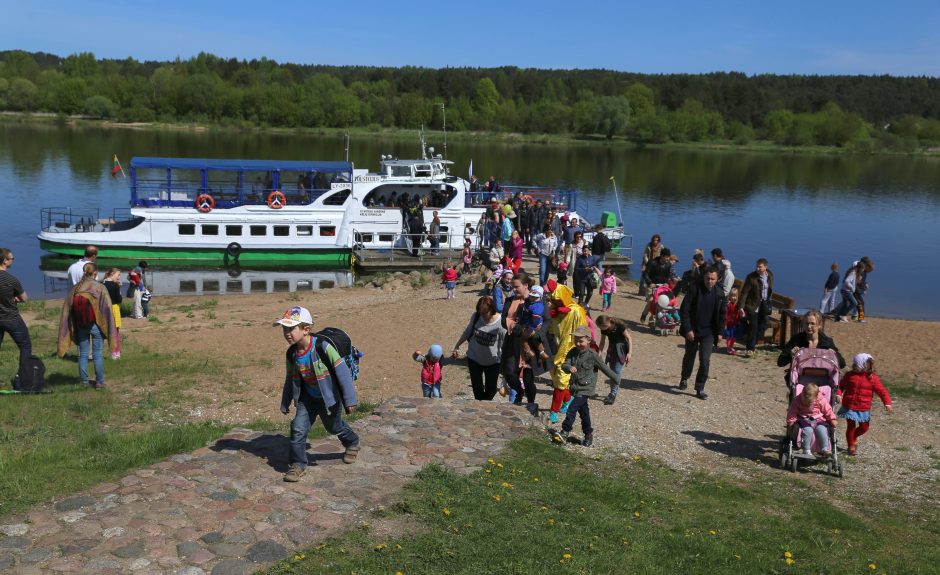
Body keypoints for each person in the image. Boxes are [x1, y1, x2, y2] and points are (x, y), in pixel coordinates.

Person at [276, 306, 360, 482]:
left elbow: (342, 373)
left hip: (329, 398)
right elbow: (290, 378)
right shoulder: (292, 353)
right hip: (307, 398)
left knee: (334, 427)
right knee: (298, 428)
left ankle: (352, 442)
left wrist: (350, 400)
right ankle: (298, 464)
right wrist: (285, 401)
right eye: (284, 328)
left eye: (291, 328)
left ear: (306, 329)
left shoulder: (323, 347)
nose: (286, 333)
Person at [554, 326, 620, 447]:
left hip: (586, 389)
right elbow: (564, 365)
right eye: (576, 340)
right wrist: (569, 367)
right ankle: (588, 434)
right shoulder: (572, 352)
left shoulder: (593, 355)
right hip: (574, 387)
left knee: (571, 409)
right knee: (584, 413)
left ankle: (565, 432)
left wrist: (616, 379)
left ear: (588, 340)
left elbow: (604, 368)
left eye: (581, 341)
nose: (578, 343)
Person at [57, 262, 117, 389]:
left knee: (83, 354)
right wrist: (107, 323)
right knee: (97, 354)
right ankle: (99, 382)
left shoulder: (76, 288)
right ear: (95, 273)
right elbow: (106, 307)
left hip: (80, 325)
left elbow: (67, 309)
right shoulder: (99, 287)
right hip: (95, 325)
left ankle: (84, 382)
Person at [546, 282, 589, 422]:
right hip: (556, 349)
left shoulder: (576, 311)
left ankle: (554, 411)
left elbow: (583, 331)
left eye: (558, 300)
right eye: (554, 300)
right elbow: (552, 331)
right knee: (557, 379)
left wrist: (579, 351)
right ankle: (568, 399)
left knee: (560, 382)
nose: (555, 302)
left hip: (570, 351)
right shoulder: (555, 309)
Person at [678, 266, 722, 400]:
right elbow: (684, 310)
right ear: (704, 277)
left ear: (717, 279)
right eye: (707, 278)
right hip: (693, 330)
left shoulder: (719, 294)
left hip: (709, 333)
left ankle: (699, 387)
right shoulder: (694, 289)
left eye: (712, 279)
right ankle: (684, 377)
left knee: (705, 360)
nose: (709, 281)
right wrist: (688, 329)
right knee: (689, 356)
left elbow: (722, 315)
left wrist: (720, 332)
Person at [836, 353, 893, 456]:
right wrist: (839, 394)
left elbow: (882, 391)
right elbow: (841, 386)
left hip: (864, 407)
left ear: (864, 366)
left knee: (864, 427)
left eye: (856, 364)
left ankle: (853, 437)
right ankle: (851, 445)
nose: (853, 366)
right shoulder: (850, 375)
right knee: (851, 427)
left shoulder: (873, 378)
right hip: (850, 406)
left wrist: (887, 403)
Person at [452, 296, 507, 401]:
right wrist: (457, 345)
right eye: (481, 313)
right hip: (474, 358)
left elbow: (504, 344)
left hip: (493, 361)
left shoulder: (501, 323)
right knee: (477, 389)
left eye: (485, 313)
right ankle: (480, 406)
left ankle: (484, 405)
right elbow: (467, 332)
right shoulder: (476, 316)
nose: (483, 316)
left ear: (492, 309)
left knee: (491, 390)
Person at [776, 310, 846, 379]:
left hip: (821, 378)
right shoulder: (796, 340)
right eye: (806, 323)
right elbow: (780, 362)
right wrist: (790, 354)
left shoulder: (826, 342)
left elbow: (842, 364)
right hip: (799, 378)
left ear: (819, 325)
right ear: (803, 324)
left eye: (812, 323)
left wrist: (834, 355)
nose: (809, 326)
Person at [0, 248, 32, 389]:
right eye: (11, 258)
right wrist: (15, 299)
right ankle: (22, 380)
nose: (13, 260)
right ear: (5, 261)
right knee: (25, 346)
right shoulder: (11, 279)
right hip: (11, 318)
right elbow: (24, 298)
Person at [786, 383, 837, 457]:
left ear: (816, 397)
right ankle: (806, 450)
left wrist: (832, 419)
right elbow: (792, 411)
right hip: (804, 418)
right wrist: (791, 420)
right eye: (805, 401)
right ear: (802, 394)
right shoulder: (797, 400)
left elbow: (828, 410)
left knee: (821, 429)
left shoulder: (821, 400)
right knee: (807, 430)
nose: (807, 404)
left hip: (818, 418)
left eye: (810, 402)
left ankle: (825, 448)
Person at [737, 258, 774, 357]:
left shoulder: (770, 275)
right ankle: (750, 348)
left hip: (764, 305)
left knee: (763, 324)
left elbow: (770, 289)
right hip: (752, 305)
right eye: (757, 266)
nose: (757, 268)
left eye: (760, 267)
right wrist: (741, 307)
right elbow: (744, 292)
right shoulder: (751, 277)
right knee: (753, 326)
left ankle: (751, 340)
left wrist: (769, 301)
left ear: (765, 267)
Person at [595, 315, 633, 405]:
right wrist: (599, 353)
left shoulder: (620, 326)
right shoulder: (604, 329)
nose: (602, 329)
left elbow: (629, 338)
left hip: (622, 350)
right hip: (612, 350)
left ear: (609, 323)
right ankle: (612, 391)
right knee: (612, 372)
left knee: (616, 372)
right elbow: (602, 342)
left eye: (603, 327)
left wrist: (630, 353)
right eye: (600, 328)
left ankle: (613, 394)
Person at [519, 285, 550, 370]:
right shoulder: (532, 303)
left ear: (540, 297)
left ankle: (529, 352)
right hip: (533, 326)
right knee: (535, 340)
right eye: (532, 296)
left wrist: (532, 327)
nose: (533, 298)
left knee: (522, 337)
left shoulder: (538, 306)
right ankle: (542, 352)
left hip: (532, 326)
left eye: (535, 297)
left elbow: (537, 319)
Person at [102, 268, 123, 359]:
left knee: (105, 331)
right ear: (112, 274)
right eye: (118, 275)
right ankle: (116, 353)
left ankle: (99, 352)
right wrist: (119, 289)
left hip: (104, 309)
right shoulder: (115, 285)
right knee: (115, 332)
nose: (119, 277)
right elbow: (119, 299)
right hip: (114, 308)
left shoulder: (101, 284)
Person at [854, 256, 874, 322]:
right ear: (867, 267)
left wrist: (865, 285)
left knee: (857, 303)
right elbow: (858, 281)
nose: (869, 272)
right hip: (856, 291)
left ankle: (860, 318)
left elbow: (862, 281)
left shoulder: (864, 272)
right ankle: (861, 318)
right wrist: (862, 287)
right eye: (870, 270)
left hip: (859, 290)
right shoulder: (862, 272)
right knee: (860, 304)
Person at [723, 287, 741, 355]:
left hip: (734, 323)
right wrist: (725, 323)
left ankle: (731, 346)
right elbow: (726, 314)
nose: (734, 298)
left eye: (735, 296)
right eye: (732, 296)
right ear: (729, 296)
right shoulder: (728, 304)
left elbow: (739, 313)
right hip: (729, 323)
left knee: (733, 336)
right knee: (729, 336)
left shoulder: (737, 305)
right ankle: (728, 348)